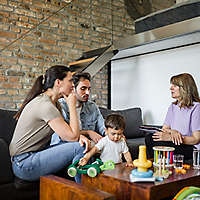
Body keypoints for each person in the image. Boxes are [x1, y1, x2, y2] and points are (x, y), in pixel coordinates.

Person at [9, 65, 90, 183]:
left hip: (32, 155)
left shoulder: (54, 103)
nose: (73, 85)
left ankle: (79, 185)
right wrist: (71, 106)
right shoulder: (45, 105)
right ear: (58, 82)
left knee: (82, 144)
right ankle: (85, 192)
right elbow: (72, 137)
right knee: (79, 147)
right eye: (70, 81)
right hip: (23, 163)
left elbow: (66, 132)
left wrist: (82, 135)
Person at [145, 73, 200, 160]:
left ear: (185, 88)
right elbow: (164, 129)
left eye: (175, 86)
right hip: (176, 144)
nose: (171, 88)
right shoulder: (173, 107)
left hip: (190, 147)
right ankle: (157, 165)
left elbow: (196, 139)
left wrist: (171, 138)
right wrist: (173, 131)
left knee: (161, 144)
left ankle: (161, 164)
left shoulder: (196, 107)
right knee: (150, 138)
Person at [51, 72, 105, 146]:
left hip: (88, 143)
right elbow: (66, 134)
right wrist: (88, 132)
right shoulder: (61, 106)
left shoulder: (92, 106)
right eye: (83, 89)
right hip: (65, 144)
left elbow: (103, 127)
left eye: (89, 89)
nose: (87, 92)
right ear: (73, 89)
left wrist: (113, 134)